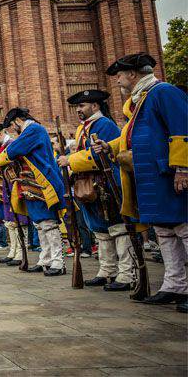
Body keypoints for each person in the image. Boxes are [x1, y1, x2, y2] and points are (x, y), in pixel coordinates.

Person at [93, 53, 187, 310]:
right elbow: (131, 137)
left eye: (121, 75)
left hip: (169, 173)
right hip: (151, 176)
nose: (119, 80)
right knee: (165, 232)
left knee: (184, 229)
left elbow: (182, 129)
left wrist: (183, 169)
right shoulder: (141, 100)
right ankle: (174, 285)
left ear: (133, 74)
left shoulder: (163, 92)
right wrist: (109, 147)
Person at [57, 89, 133, 291]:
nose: (78, 110)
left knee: (118, 227)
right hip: (91, 183)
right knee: (101, 229)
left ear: (95, 106)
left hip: (108, 182)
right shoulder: (85, 128)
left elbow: (100, 155)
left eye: (82, 106)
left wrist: (70, 160)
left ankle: (127, 273)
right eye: (78, 107)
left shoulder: (104, 125)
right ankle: (107, 270)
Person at [0, 107, 67, 276]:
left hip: (44, 181)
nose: (14, 130)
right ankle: (46, 259)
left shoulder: (33, 129)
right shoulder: (31, 130)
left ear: (17, 121)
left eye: (13, 126)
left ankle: (58, 261)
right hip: (33, 183)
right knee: (40, 224)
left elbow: (13, 151)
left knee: (48, 224)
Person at [0, 122, 28, 266]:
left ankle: (21, 252)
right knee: (10, 221)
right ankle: (13, 251)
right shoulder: (2, 147)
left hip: (14, 184)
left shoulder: (10, 144)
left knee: (19, 220)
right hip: (7, 185)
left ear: (1, 133)